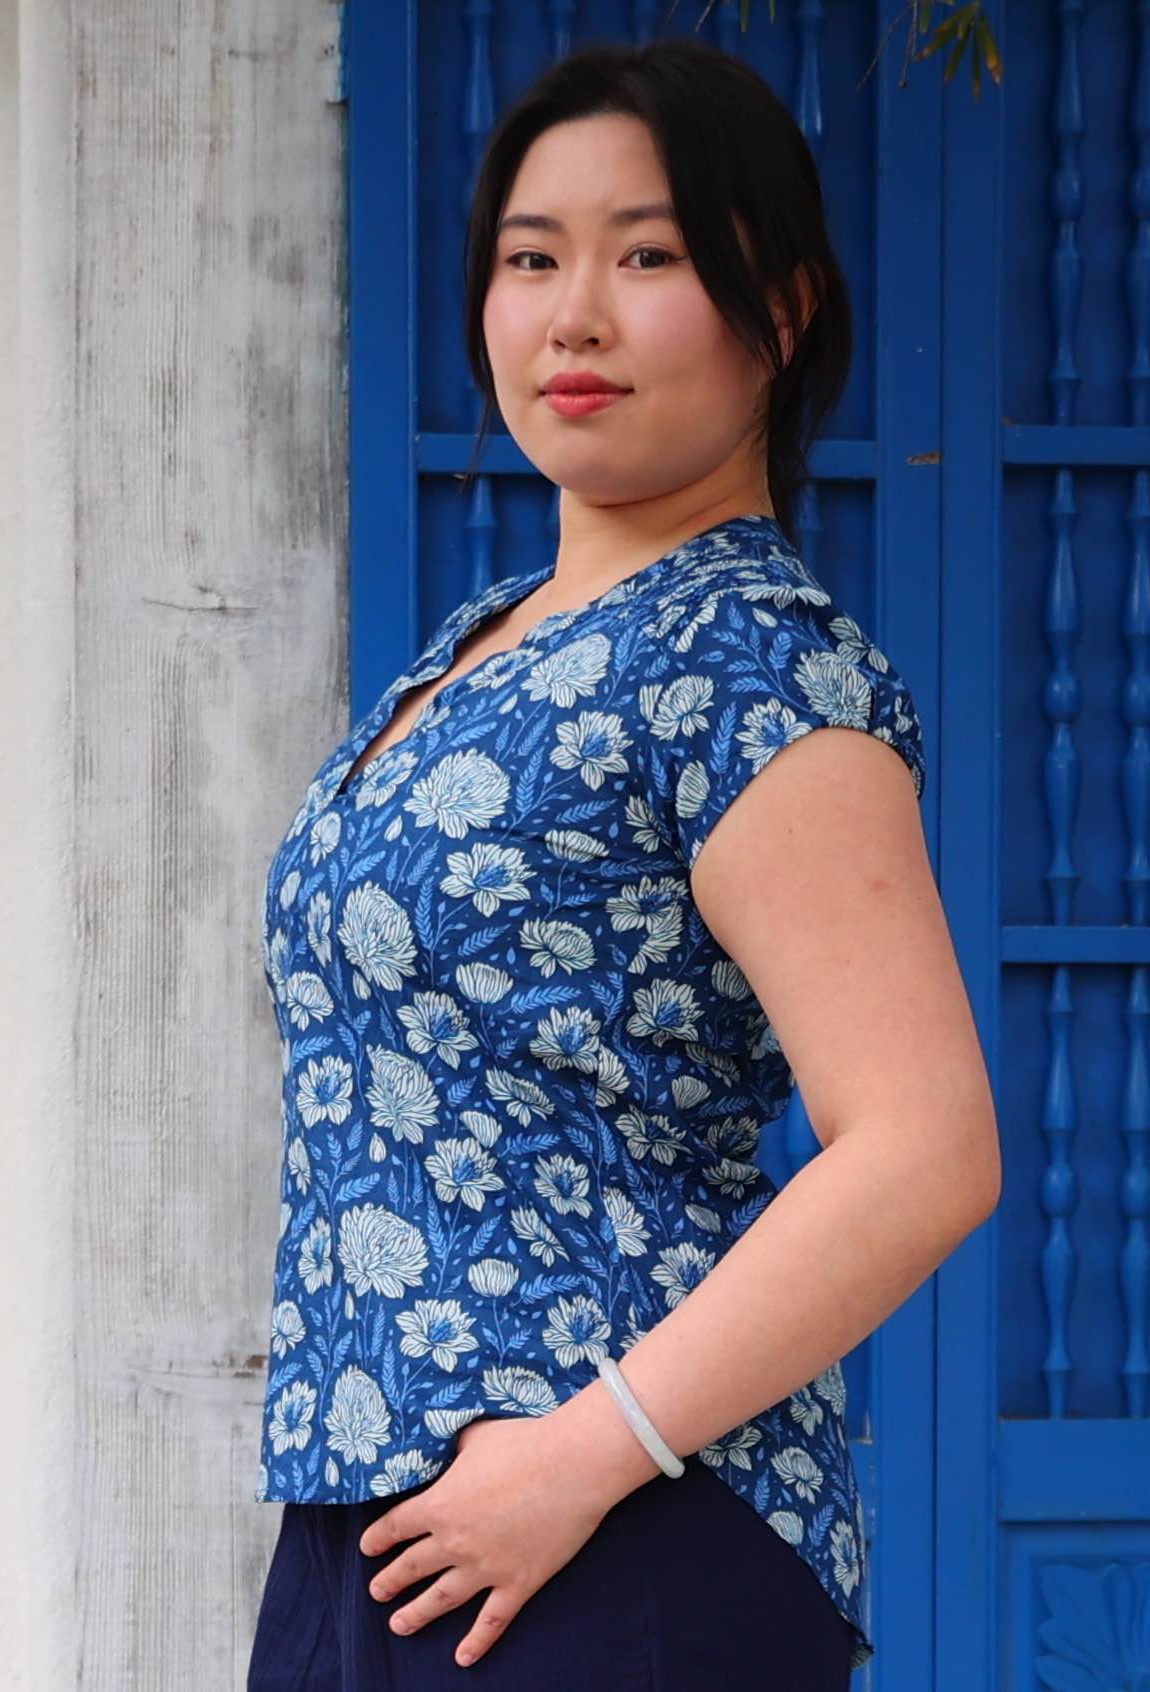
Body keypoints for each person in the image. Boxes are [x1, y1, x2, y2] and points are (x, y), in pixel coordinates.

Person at [247, 36, 1001, 1692]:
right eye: (533, 259)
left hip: (612, 1536)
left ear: (781, 310)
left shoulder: (749, 662)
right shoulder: (484, 644)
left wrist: (586, 1456)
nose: (572, 313)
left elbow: (928, 1145)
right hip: (378, 1520)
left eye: (647, 256)